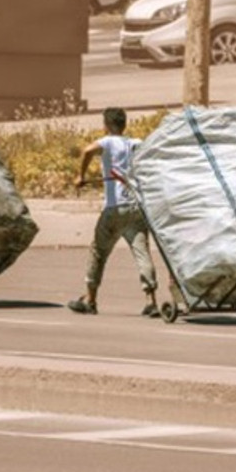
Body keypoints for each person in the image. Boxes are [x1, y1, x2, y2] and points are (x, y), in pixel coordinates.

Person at [68, 107, 159, 316]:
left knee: (98, 252)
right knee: (142, 253)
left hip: (114, 208)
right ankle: (151, 299)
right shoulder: (135, 143)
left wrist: (80, 176)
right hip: (136, 208)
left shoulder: (107, 142)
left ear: (106, 125)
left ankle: (90, 300)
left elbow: (87, 151)